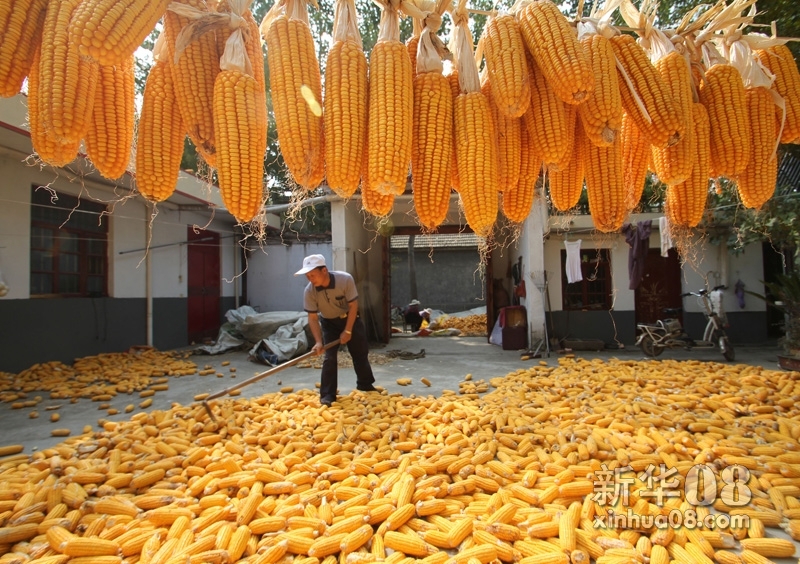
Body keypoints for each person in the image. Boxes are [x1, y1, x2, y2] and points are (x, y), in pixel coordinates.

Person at [295, 254, 377, 406]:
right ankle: (327, 395)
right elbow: (312, 318)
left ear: (324, 270)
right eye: (307, 276)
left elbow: (353, 306)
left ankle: (365, 384)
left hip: (350, 319)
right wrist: (318, 342)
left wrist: (348, 331)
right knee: (329, 358)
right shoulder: (309, 291)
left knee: (360, 353)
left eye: (313, 274)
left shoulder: (344, 279)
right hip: (329, 323)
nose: (310, 279)